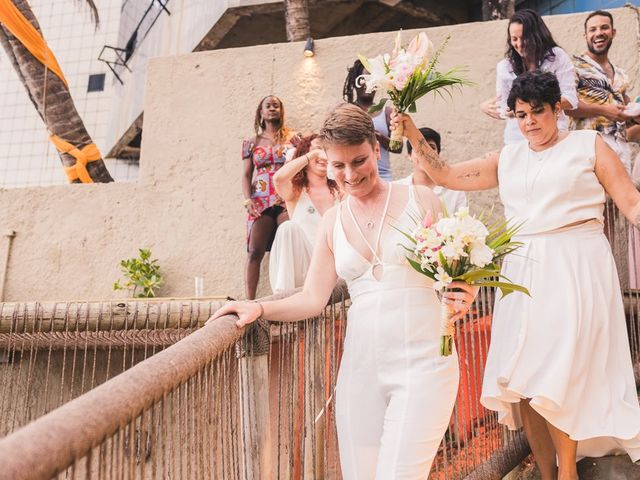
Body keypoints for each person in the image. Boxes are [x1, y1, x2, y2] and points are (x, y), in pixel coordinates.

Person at [393, 71, 640, 480]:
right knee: (522, 379)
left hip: (577, 266)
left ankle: (567, 473)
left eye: (536, 112)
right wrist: (412, 130)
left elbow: (630, 201)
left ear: (558, 108)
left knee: (558, 372)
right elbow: (446, 174)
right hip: (522, 273)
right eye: (520, 114)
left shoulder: (588, 145)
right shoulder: (507, 158)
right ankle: (547, 473)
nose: (528, 123)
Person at [212, 103, 478, 478]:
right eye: (339, 165)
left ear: (375, 148)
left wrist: (463, 293)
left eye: (359, 161)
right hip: (361, 372)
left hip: (425, 365)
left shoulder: (423, 201)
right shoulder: (332, 222)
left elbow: (459, 274)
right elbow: (311, 298)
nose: (349, 175)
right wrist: (258, 308)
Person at [481, 9, 578, 145]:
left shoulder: (557, 57)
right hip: (517, 139)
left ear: (537, 35)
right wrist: (488, 107)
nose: (519, 44)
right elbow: (504, 106)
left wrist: (525, 105)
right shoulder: (504, 67)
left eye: (524, 38)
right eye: (514, 39)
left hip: (554, 135)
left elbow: (570, 99)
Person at [567, 10, 638, 173]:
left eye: (604, 28)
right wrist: (605, 111)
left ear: (613, 33)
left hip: (621, 146)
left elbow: (625, 110)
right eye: (593, 29)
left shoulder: (621, 74)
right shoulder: (574, 66)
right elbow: (566, 106)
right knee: (594, 198)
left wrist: (633, 115)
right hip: (589, 146)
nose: (598, 33)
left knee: (622, 198)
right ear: (585, 35)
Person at [242, 95, 298, 299]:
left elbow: (300, 167)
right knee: (255, 250)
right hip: (261, 200)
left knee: (287, 243)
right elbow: (246, 175)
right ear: (261, 112)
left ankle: (286, 297)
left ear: (281, 111)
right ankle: (249, 301)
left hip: (286, 198)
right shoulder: (252, 142)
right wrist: (248, 200)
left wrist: (292, 193)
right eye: (268, 106)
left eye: (276, 105)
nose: (272, 108)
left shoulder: (293, 139)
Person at [269, 134, 340, 293]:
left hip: (331, 265)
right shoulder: (295, 191)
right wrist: (313, 154)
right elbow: (279, 179)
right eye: (317, 149)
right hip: (303, 265)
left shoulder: (339, 191)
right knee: (288, 228)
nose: (323, 154)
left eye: (326, 150)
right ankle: (285, 297)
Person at [343, 59, 398, 181]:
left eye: (372, 79)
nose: (368, 84)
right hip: (354, 177)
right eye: (364, 79)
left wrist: (378, 136)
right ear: (355, 82)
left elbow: (398, 148)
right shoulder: (346, 112)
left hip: (383, 176)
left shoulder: (387, 112)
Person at [395, 127, 468, 214]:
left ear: (438, 155)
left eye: (432, 148)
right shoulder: (396, 190)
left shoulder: (455, 191)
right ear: (409, 156)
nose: (425, 154)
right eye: (418, 148)